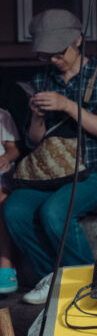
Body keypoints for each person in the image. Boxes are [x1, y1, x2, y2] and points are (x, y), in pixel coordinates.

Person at [3, 9, 97, 304]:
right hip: (52, 172)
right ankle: (53, 280)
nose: (53, 60)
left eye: (58, 52)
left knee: (56, 212)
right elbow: (33, 142)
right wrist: (36, 116)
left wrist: (67, 105)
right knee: (14, 210)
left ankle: (88, 284)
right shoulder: (43, 78)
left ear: (78, 40)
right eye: (46, 55)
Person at [0, 107, 22, 294]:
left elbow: (13, 149)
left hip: (1, 175)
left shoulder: (3, 115)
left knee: (2, 200)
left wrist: (5, 157)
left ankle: (5, 265)